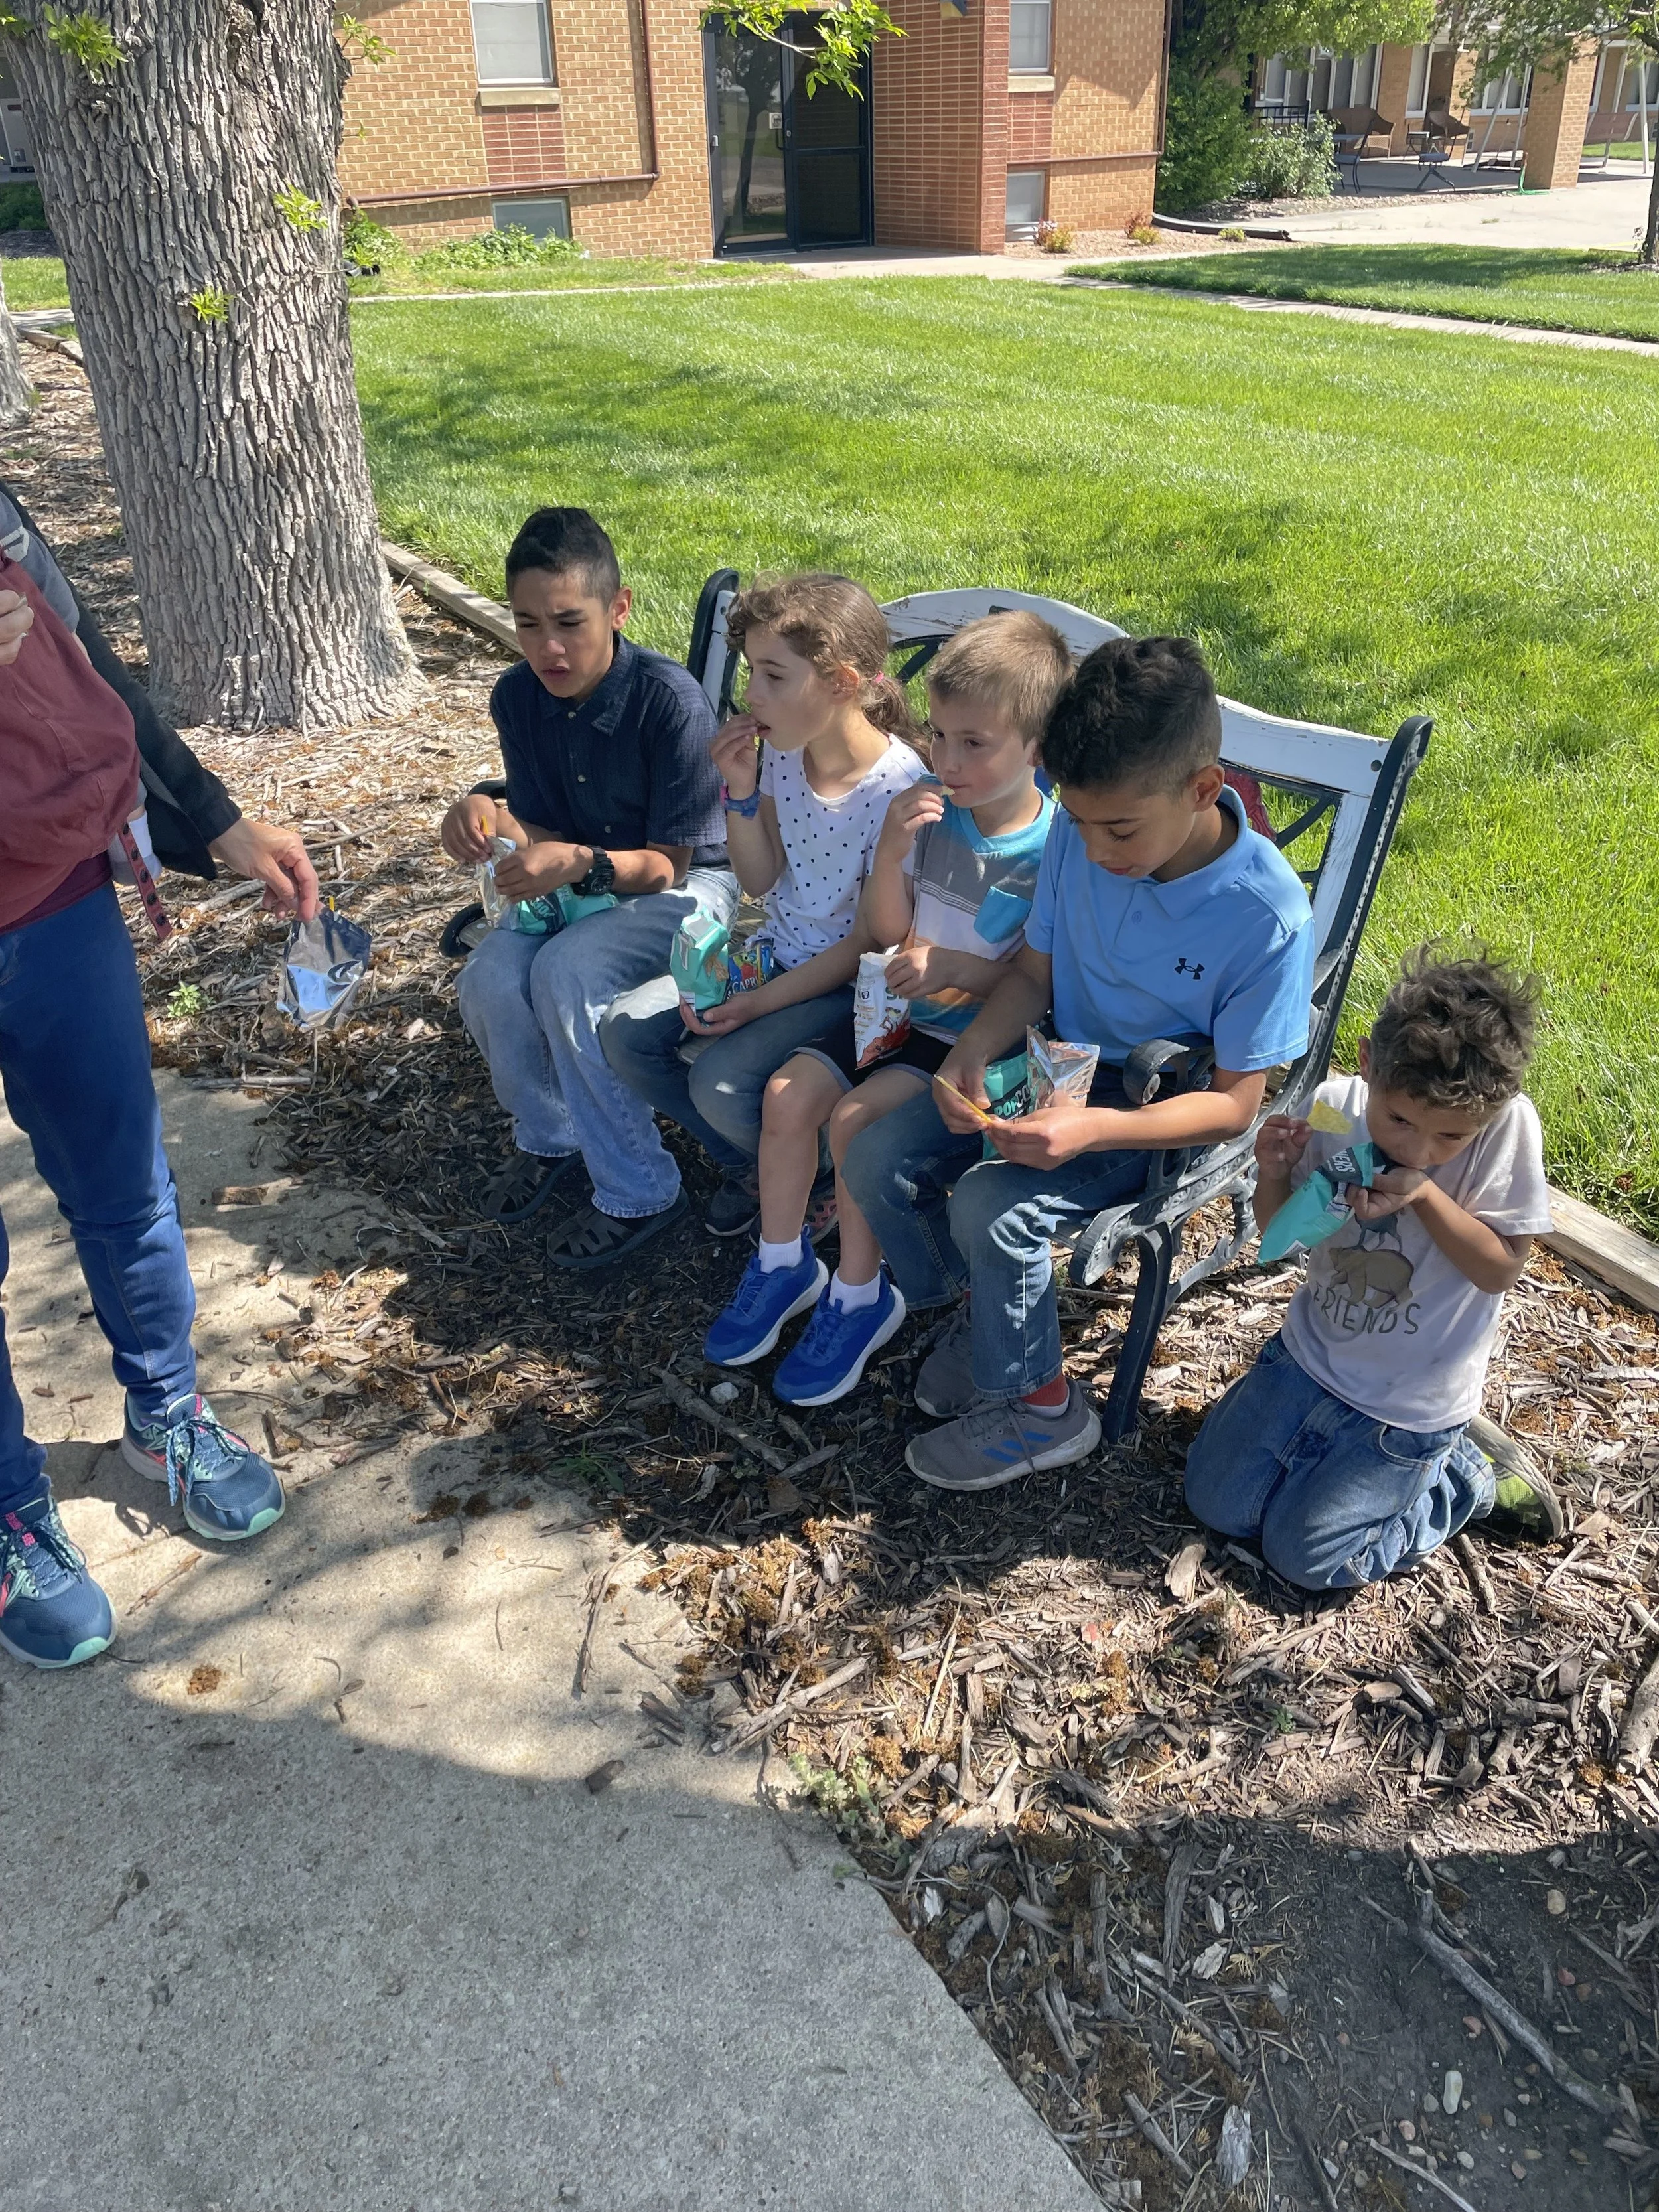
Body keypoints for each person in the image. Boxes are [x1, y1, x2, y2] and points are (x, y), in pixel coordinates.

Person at [841, 633, 1317, 1493]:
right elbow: (1034, 972)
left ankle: (1048, 1410)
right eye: (1084, 822)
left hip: (1154, 1112)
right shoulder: (1081, 826)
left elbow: (1235, 1107)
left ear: (1205, 788)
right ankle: (986, 1309)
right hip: (1050, 1062)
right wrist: (974, 1054)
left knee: (991, 1205)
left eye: (1122, 828)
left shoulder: (1264, 914)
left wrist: (1095, 1126)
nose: (1096, 851)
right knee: (874, 1150)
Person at [0, 497, 317, 1670]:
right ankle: (10, 1512)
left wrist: (219, 819)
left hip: (54, 901)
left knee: (124, 1183)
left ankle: (166, 1412)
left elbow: (85, 666)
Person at [700, 611, 1068, 1407]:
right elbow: (883, 932)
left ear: (1036, 748)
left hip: (970, 1042)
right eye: (939, 735)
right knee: (784, 1096)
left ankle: (861, 1298)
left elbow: (1039, 983)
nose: (947, 758)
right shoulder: (930, 811)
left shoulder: (1054, 852)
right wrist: (897, 854)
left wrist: (956, 968)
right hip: (893, 1018)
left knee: (853, 1121)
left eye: (975, 743)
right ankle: (781, 1262)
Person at [1183, 950, 1563, 1589]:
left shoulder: (1506, 1128)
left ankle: (1463, 1480)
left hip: (1409, 1407)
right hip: (1307, 1360)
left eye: (1449, 1138)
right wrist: (1275, 1171)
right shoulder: (1335, 1107)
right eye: (1399, 1120)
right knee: (1216, 1502)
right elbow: (1280, 1233)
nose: (1416, 1148)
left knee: (1309, 1560)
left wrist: (1424, 1194)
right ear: (1366, 1064)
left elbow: (1500, 1269)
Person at [443, 507, 735, 1268]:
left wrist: (576, 861)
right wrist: (484, 813)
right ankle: (550, 1136)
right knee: (490, 978)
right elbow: (534, 819)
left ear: (620, 607)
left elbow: (672, 864)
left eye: (569, 622)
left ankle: (640, 1187)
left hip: (687, 888)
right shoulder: (518, 697)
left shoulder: (668, 702)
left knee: (568, 972)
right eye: (528, 623)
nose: (548, 646)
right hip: (579, 884)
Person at [601, 572, 929, 1242]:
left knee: (719, 1084)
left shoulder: (898, 790)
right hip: (772, 956)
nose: (750, 694)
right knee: (626, 1032)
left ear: (841, 682)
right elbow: (759, 880)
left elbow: (869, 944)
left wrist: (755, 1005)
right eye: (751, 672)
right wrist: (742, 793)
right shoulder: (783, 753)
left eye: (773, 676)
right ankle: (761, 1165)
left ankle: (823, 1174)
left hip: (844, 987)